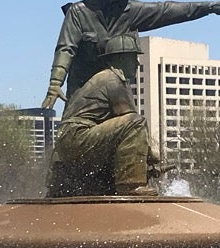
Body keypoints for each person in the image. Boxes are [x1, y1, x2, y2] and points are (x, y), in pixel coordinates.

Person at [40, 0, 220, 111]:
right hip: (83, 88)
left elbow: (166, 10)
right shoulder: (79, 12)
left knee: (133, 126)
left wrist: (207, 7)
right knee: (71, 130)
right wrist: (55, 84)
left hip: (117, 88)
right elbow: (66, 48)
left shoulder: (130, 10)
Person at [46, 64, 159, 197]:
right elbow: (132, 125)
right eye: (132, 57)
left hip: (66, 145)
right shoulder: (114, 79)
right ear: (121, 59)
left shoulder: (100, 78)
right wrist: (151, 156)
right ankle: (131, 185)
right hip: (78, 137)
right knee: (135, 122)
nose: (136, 64)